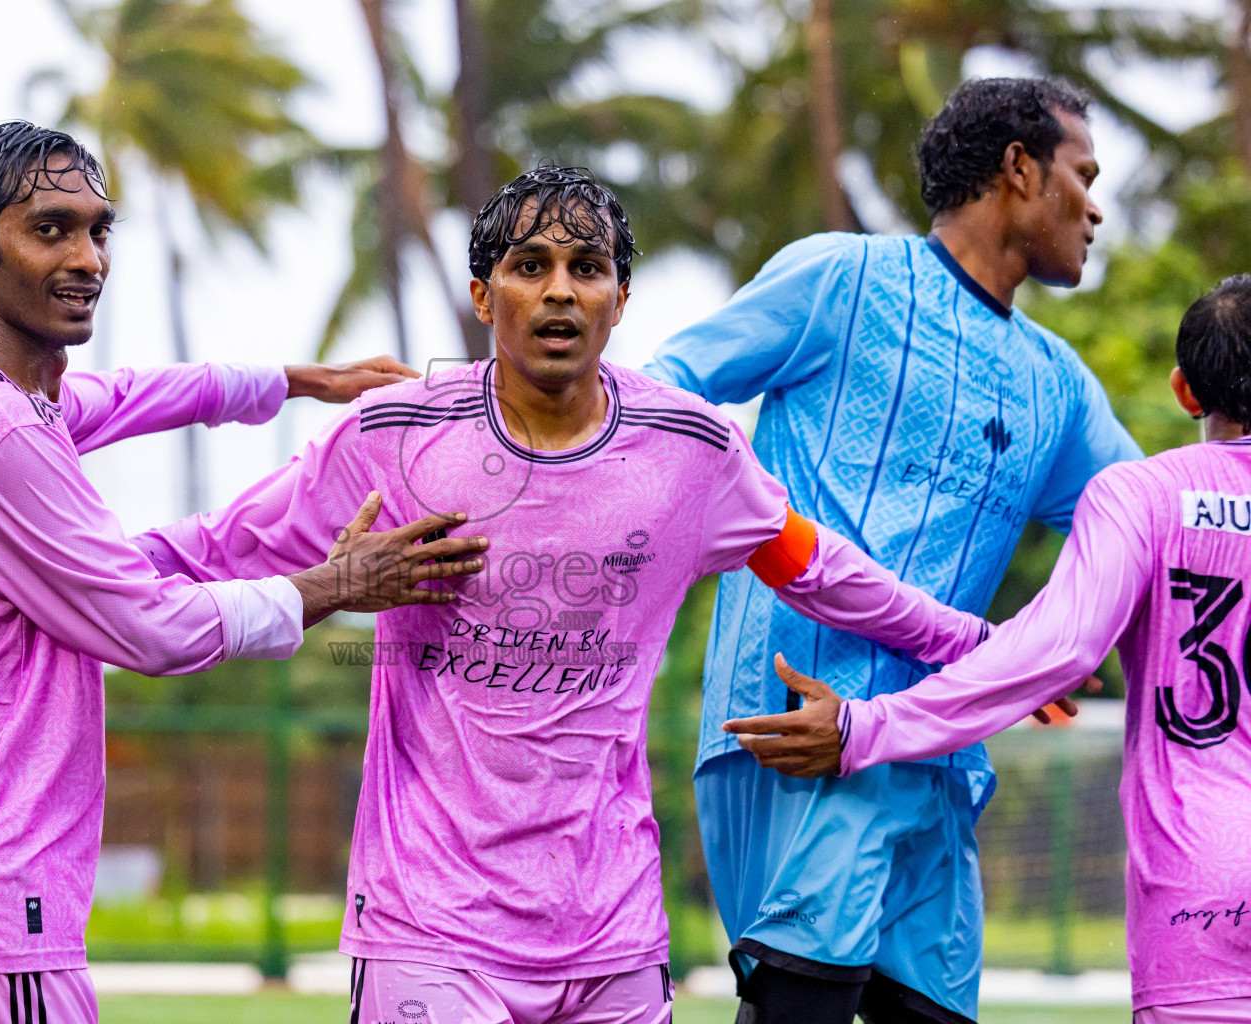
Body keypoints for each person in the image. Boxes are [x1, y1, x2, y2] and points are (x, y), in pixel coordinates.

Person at [119, 166, 1012, 1024]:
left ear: (620, 301)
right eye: (529, 266)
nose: (558, 291)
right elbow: (220, 546)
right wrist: (61, 582)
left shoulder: (693, 452)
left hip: (610, 931)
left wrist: (984, 647)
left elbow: (821, 571)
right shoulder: (392, 434)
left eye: (587, 269)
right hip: (428, 926)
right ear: (483, 295)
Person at [0, 121, 488, 1024]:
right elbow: (149, 627)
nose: (88, 256)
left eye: (99, 229)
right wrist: (335, 587)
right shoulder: (2, 429)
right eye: (50, 228)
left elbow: (138, 392)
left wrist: (301, 380)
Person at [642, 77, 1141, 1023]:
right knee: (802, 1008)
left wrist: (1040, 648)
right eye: (1085, 174)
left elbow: (1158, 525)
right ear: (1020, 169)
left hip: (941, 753)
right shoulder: (840, 277)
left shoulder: (1061, 388)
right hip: (802, 733)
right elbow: (664, 393)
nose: (1097, 205)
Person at [725, 274, 1251, 1024]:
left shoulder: (1143, 494)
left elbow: (1056, 653)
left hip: (1204, 883)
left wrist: (863, 728)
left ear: (1185, 391)